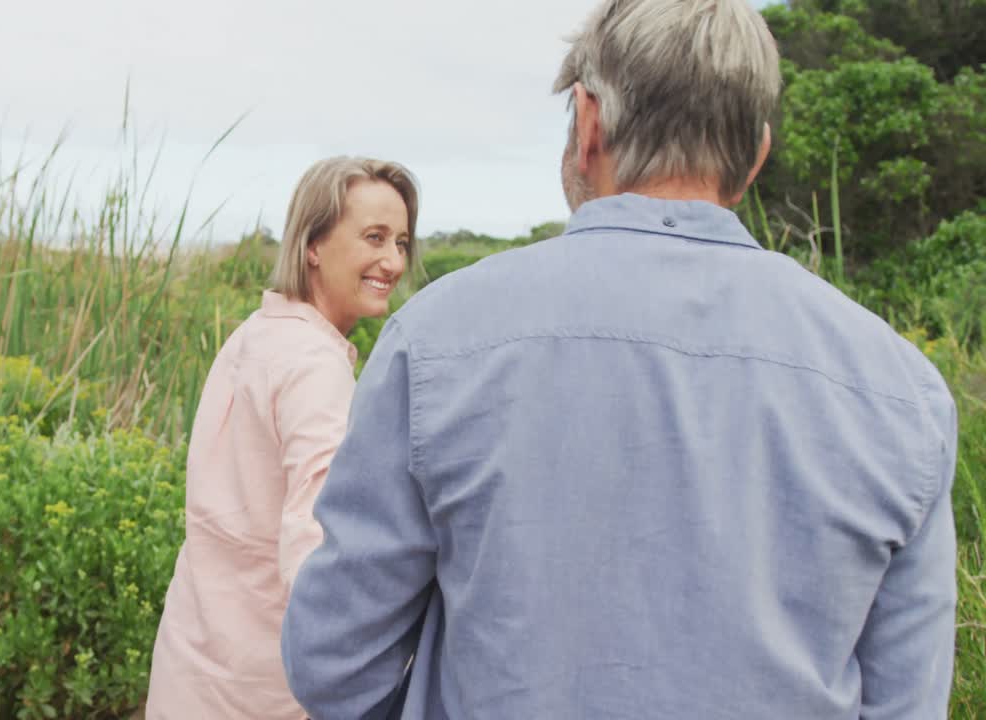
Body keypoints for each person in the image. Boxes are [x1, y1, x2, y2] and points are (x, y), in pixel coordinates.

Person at [281, 1, 959, 717]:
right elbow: (907, 700)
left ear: (589, 122)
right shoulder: (904, 392)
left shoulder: (435, 340)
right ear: (757, 152)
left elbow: (335, 662)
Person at [145, 156, 420, 719]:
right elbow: (318, 535)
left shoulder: (255, 334)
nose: (393, 260)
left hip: (191, 664)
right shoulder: (315, 367)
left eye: (401, 241)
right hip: (266, 689)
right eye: (373, 237)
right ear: (312, 244)